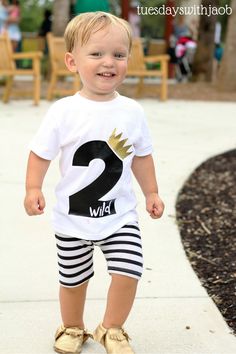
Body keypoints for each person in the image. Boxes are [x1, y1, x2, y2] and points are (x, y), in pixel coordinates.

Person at [24, 11, 164, 354]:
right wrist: (32, 188)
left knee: (128, 271)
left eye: (118, 54)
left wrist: (152, 192)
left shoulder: (132, 112)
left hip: (120, 216)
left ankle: (111, 329)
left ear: (127, 60)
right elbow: (40, 153)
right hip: (72, 219)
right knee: (73, 280)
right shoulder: (63, 111)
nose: (108, 62)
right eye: (97, 54)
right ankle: (72, 327)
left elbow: (141, 155)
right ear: (72, 62)